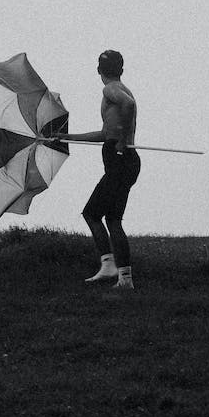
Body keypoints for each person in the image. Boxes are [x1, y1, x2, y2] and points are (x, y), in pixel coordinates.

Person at [64, 50, 140, 289]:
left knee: (92, 214)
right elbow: (104, 134)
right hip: (126, 160)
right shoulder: (122, 88)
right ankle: (121, 276)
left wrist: (120, 141)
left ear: (98, 70)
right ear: (122, 69)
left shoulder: (111, 90)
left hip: (120, 159)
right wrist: (65, 137)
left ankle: (112, 269)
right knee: (112, 218)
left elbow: (128, 106)